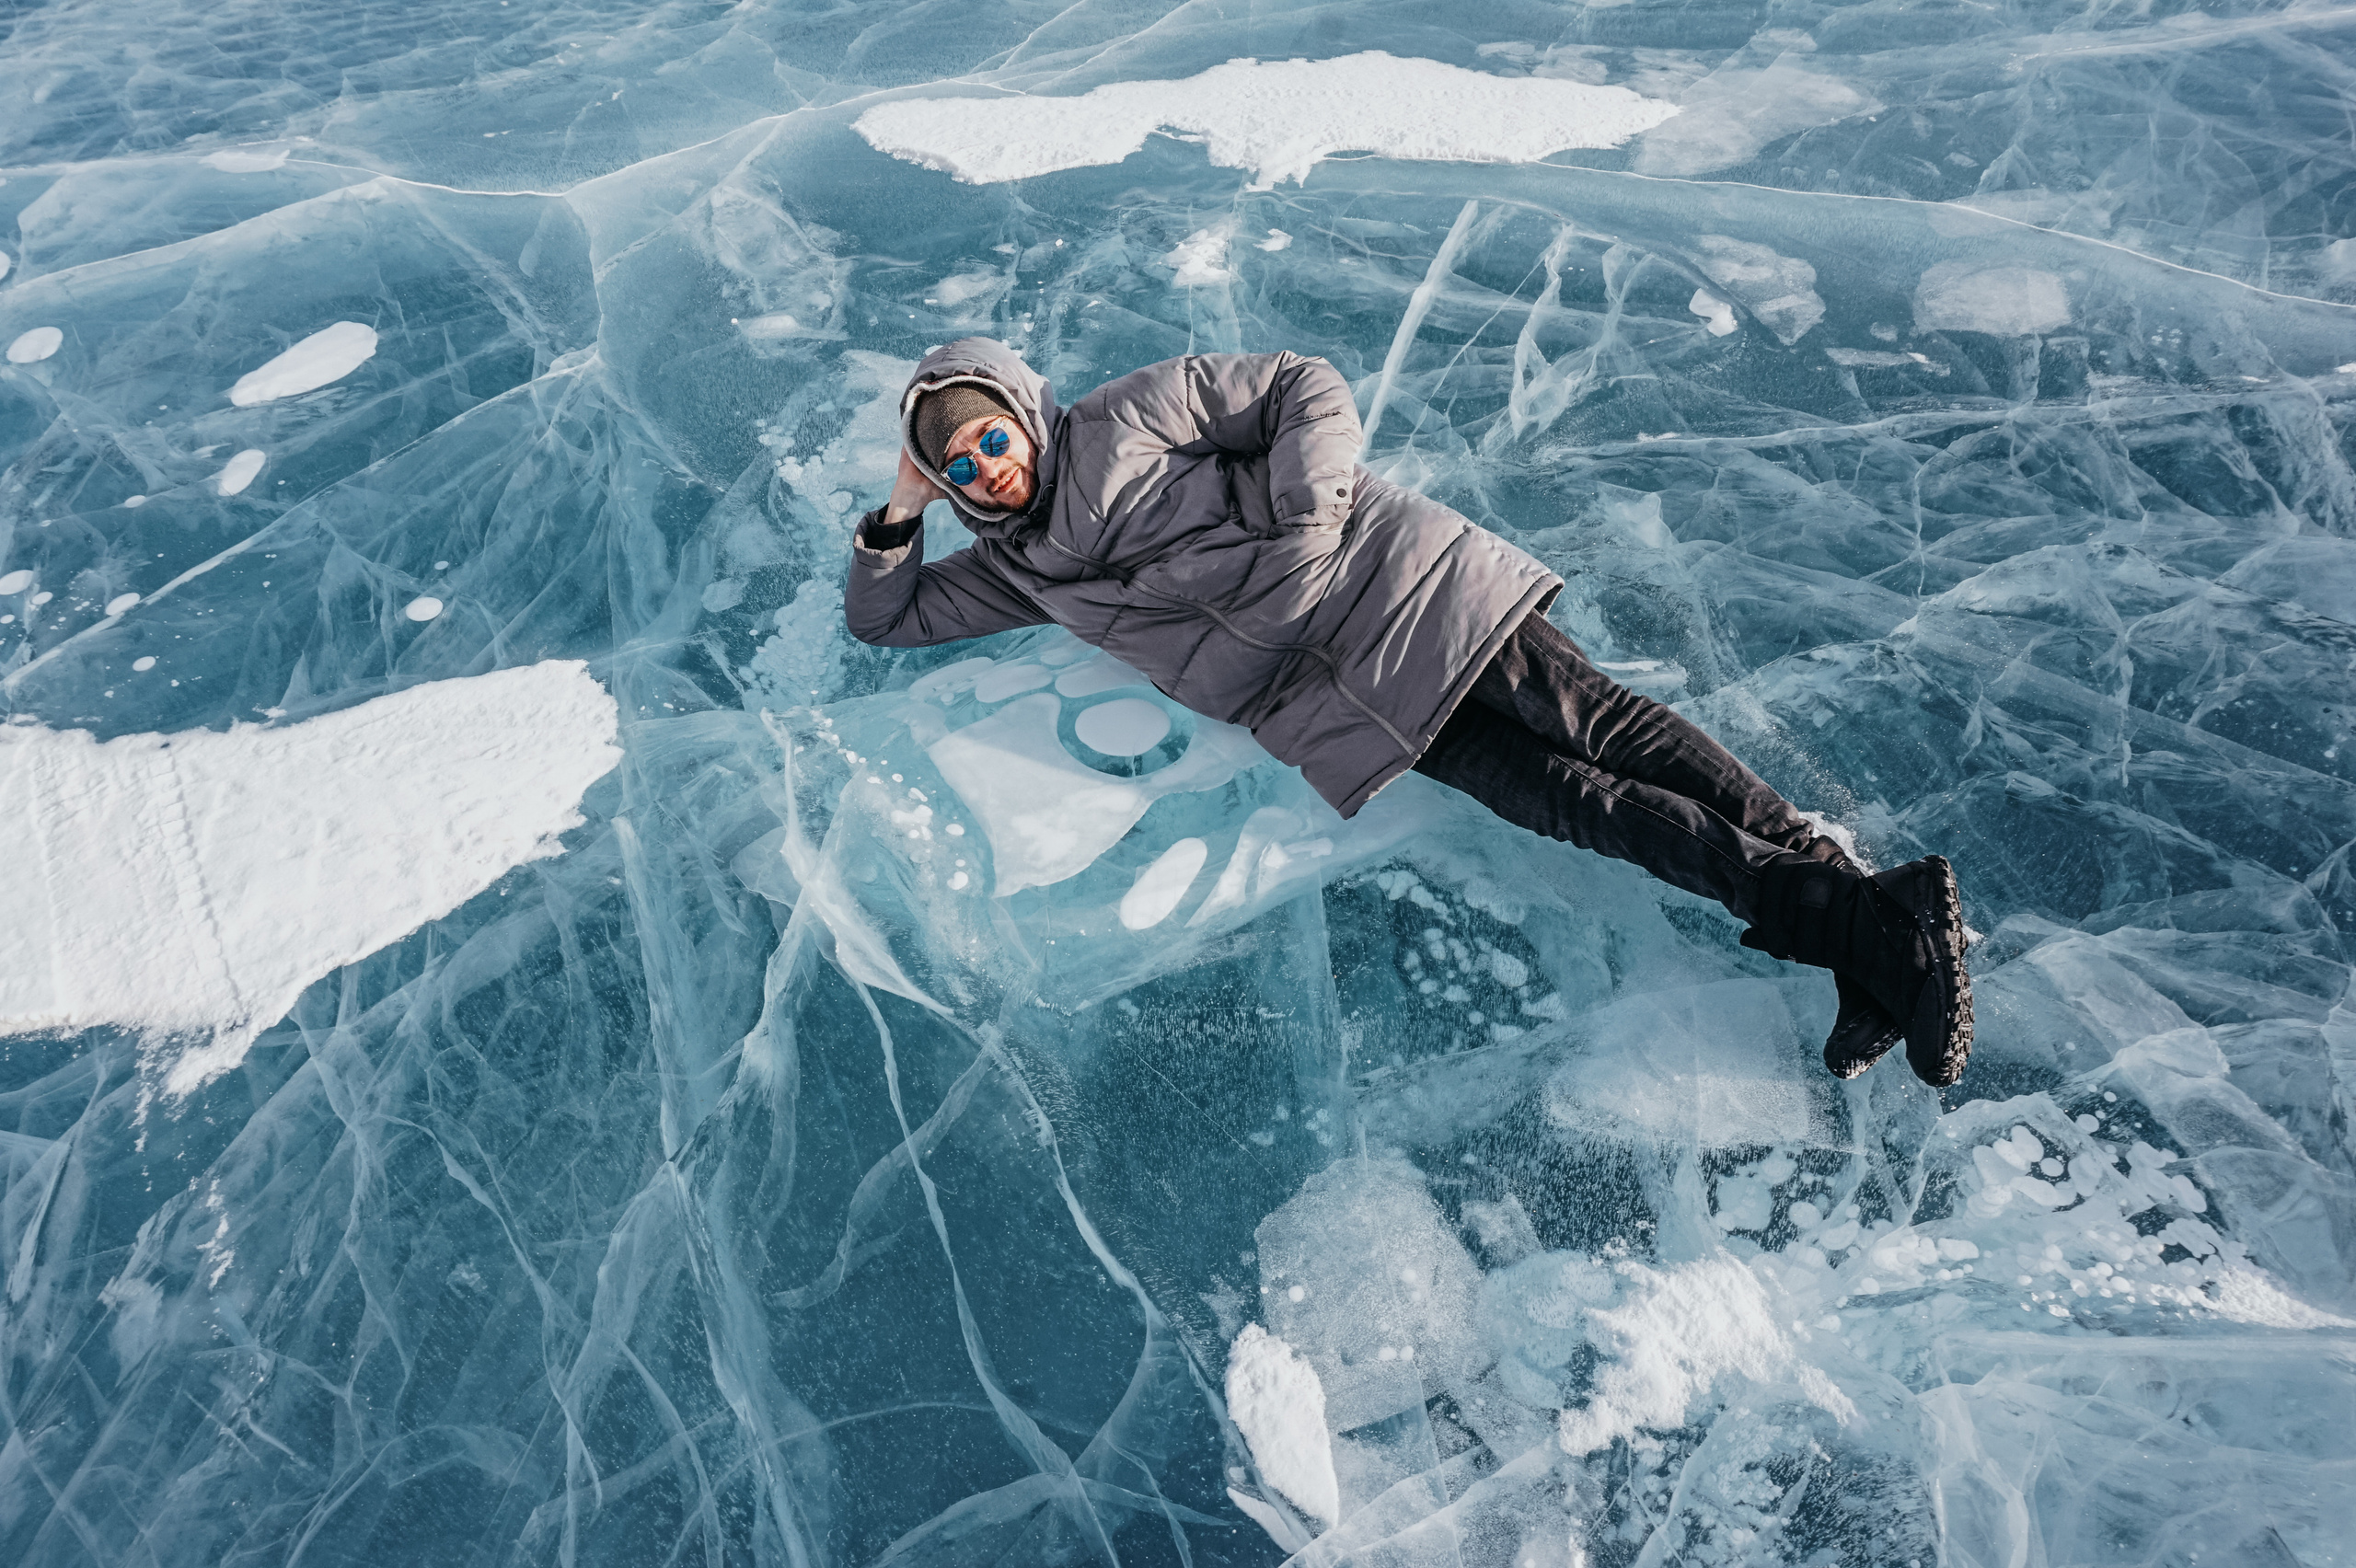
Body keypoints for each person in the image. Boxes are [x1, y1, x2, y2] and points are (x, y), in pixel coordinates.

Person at [843, 339, 1972, 1086]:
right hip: (1338, 700)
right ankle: (1866, 926)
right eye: (957, 466)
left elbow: (1302, 387)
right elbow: (884, 617)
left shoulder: (1127, 413)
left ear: (1026, 416)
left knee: (1605, 733)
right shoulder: (1014, 569)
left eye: (992, 437)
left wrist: (1305, 522)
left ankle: (1864, 926)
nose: (985, 467)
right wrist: (898, 505)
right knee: (1582, 806)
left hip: (1394, 583)